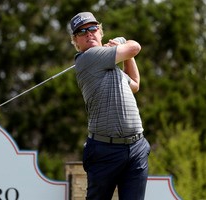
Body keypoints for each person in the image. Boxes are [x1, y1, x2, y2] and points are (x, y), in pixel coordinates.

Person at [69, 12, 151, 200]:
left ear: (100, 32)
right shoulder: (87, 58)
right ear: (76, 42)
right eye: (82, 32)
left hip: (136, 147)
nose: (89, 33)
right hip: (105, 150)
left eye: (92, 28)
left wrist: (125, 55)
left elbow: (135, 84)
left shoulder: (111, 65)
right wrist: (123, 44)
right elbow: (135, 47)